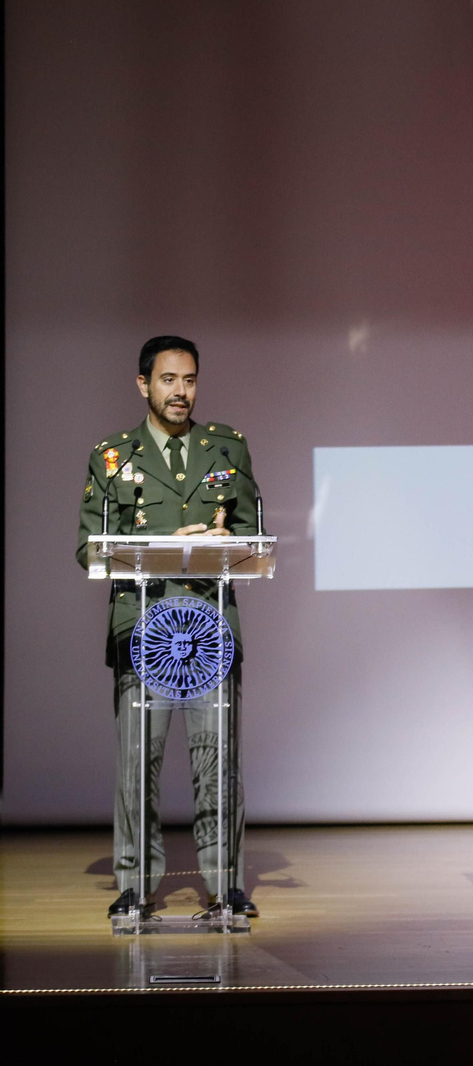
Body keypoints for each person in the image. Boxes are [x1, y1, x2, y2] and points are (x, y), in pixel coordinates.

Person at [76, 336, 261, 920]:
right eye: (168, 380)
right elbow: (90, 549)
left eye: (190, 380)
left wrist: (227, 542)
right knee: (138, 765)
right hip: (145, 627)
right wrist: (162, 547)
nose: (181, 392)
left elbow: (255, 540)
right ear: (143, 385)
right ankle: (133, 886)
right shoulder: (113, 456)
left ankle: (224, 884)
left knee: (218, 765)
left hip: (208, 627)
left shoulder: (226, 448)